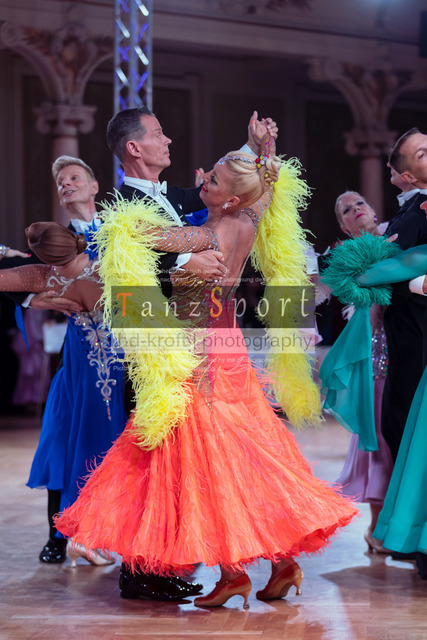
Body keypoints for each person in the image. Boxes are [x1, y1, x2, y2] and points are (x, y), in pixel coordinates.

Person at [55, 128, 357, 608]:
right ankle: (281, 562)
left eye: (212, 180)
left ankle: (234, 572)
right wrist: (264, 156)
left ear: (231, 199)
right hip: (230, 351)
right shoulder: (248, 221)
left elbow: (138, 232)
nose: (203, 182)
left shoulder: (205, 235)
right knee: (245, 455)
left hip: (196, 357)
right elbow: (266, 190)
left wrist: (111, 228)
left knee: (207, 463)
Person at [331, 191, 393, 554]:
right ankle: (376, 528)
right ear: (343, 226)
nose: (355, 210)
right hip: (375, 357)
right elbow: (364, 313)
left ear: (373, 210)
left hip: (407, 348)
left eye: (359, 204)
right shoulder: (349, 260)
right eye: (346, 210)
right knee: (378, 438)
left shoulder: (396, 241)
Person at [381, 128, 427, 460]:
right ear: (409, 176)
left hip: (416, 328)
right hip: (410, 328)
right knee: (399, 421)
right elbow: (386, 262)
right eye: (422, 154)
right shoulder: (415, 210)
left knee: (403, 420)